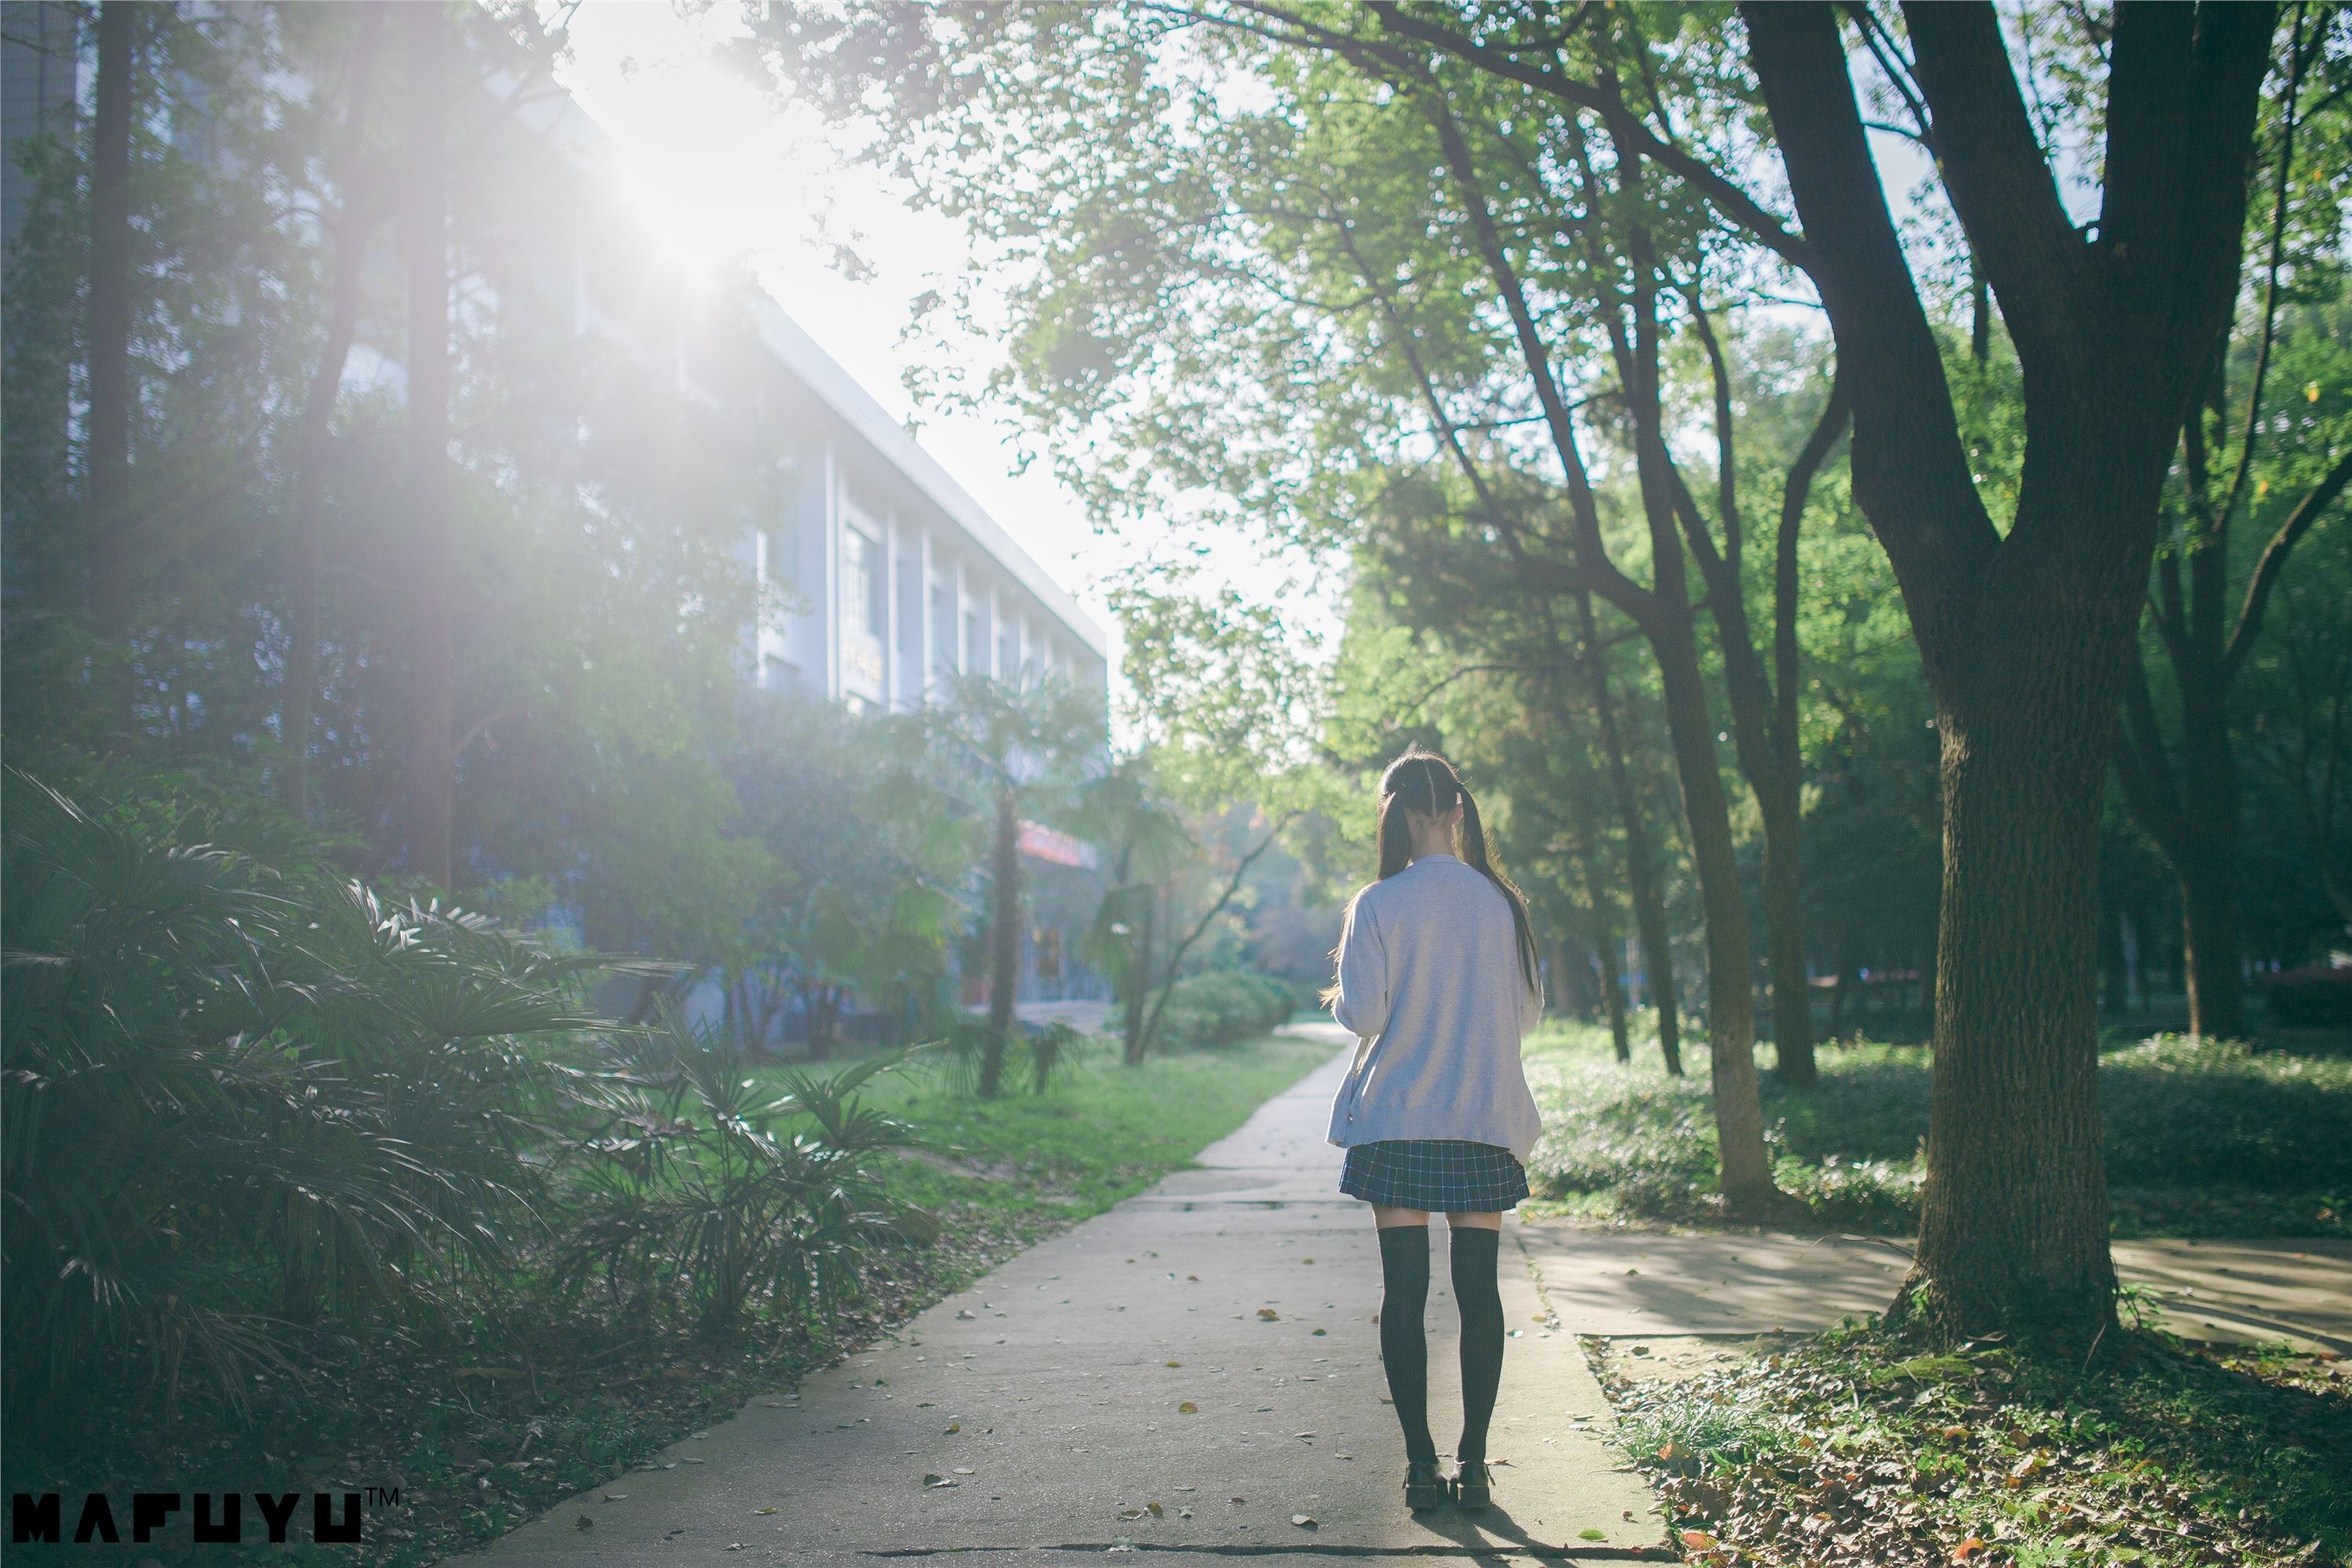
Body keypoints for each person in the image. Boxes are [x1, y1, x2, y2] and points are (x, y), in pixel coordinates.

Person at [1323, 746, 1544, 1514]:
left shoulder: (1379, 903)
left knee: (1405, 1290)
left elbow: (1368, 1014)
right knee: (1479, 1291)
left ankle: (1421, 1464)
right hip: (1482, 1119)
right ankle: (1475, 1464)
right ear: (1457, 809)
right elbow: (1525, 1015)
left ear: (1391, 813)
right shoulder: (1500, 903)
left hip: (1401, 1123)